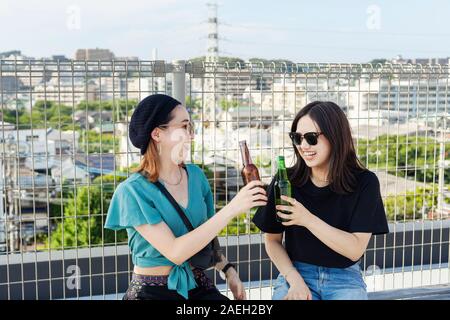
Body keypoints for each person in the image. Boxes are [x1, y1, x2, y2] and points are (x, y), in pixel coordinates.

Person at [104, 94, 268, 300]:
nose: (191, 135)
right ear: (157, 134)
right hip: (151, 293)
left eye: (190, 127)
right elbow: (175, 251)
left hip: (197, 283)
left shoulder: (196, 176)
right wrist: (233, 208)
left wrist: (227, 269)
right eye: (183, 127)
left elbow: (207, 234)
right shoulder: (131, 192)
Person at [252, 101, 389, 300]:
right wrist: (294, 279)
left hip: (345, 277)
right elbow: (272, 241)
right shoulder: (286, 180)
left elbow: (354, 250)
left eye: (311, 138)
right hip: (297, 271)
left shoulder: (364, 182)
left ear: (335, 136)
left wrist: (306, 219)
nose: (303, 146)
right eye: (297, 138)